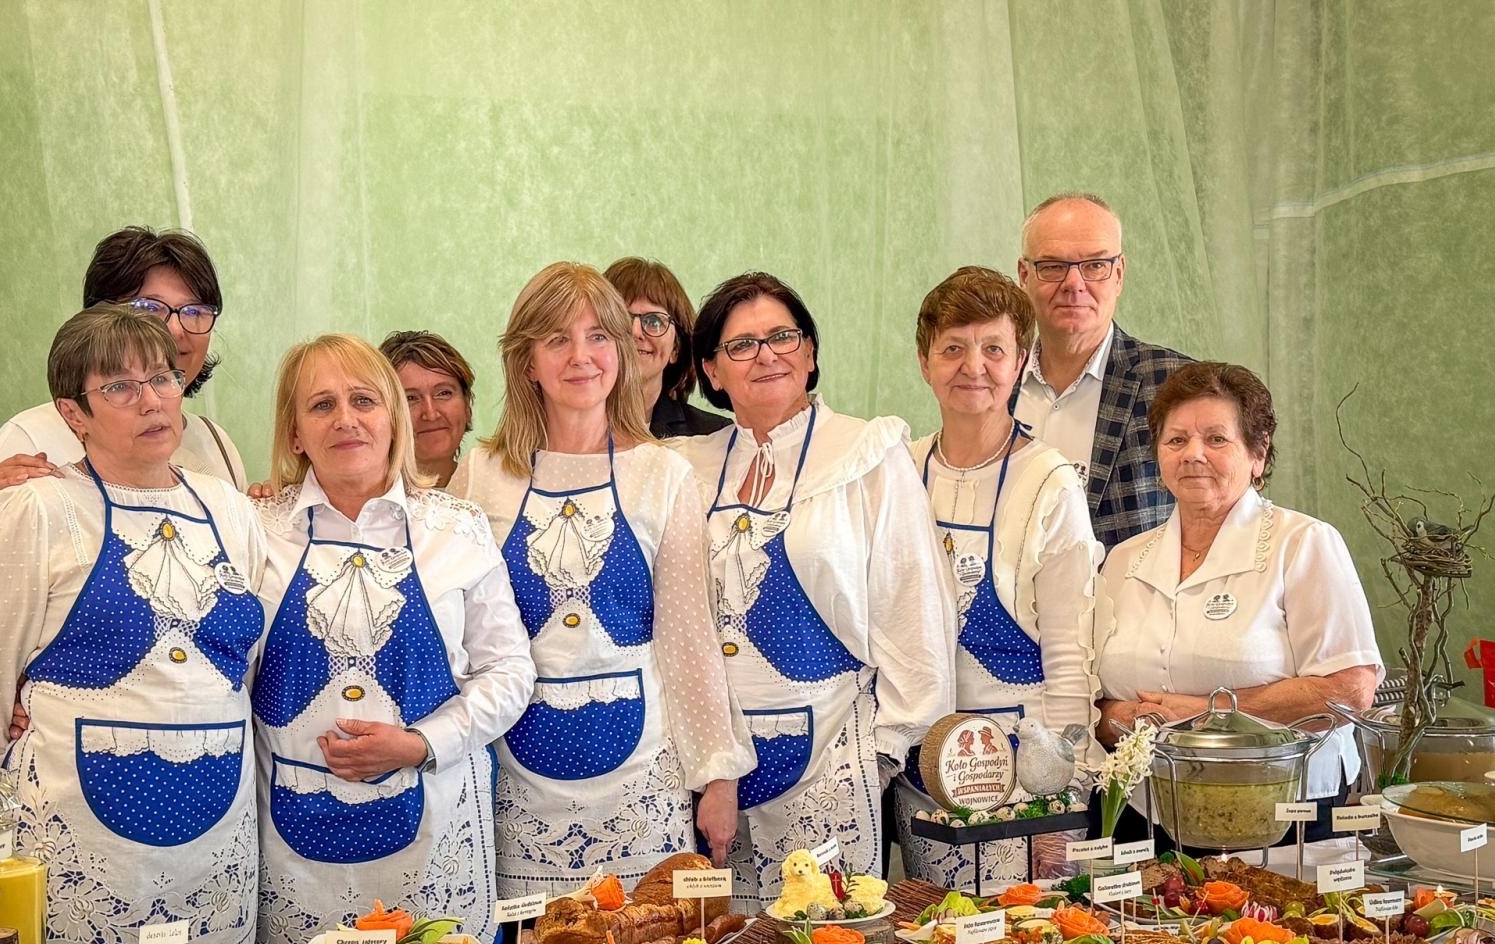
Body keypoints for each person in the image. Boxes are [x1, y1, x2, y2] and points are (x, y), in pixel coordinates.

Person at [0, 304, 266, 944]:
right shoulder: (37, 509)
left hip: (216, 830)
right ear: (73, 415)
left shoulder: (232, 511)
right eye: (118, 387)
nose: (149, 400)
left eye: (160, 378)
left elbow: (244, 667)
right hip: (77, 836)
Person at [448, 263, 751, 896]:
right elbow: (453, 641)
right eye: (557, 338)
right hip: (514, 787)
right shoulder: (479, 478)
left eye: (598, 336)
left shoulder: (662, 476)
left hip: (644, 784)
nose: (581, 356)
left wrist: (717, 777)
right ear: (526, 361)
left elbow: (688, 640)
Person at [249, 335, 533, 944]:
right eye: (321, 405)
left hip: (434, 830)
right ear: (294, 432)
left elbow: (510, 672)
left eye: (364, 401)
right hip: (290, 844)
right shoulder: (252, 530)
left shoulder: (456, 529)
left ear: (393, 419)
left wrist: (420, 742)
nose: (346, 419)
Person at [675, 272, 954, 905]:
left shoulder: (866, 453)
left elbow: (914, 607)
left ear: (810, 352)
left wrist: (884, 754)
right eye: (741, 344)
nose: (767, 354)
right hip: (712, 768)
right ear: (712, 372)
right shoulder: (686, 468)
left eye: (782, 336)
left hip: (832, 757)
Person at [1096, 362, 1382, 842]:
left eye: (1216, 439)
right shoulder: (1122, 561)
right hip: (1144, 812)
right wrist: (1115, 718)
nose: (1193, 455)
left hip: (1281, 818)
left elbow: (1351, 689)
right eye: (1177, 440)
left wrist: (1204, 715)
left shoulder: (1304, 543)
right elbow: (1094, 698)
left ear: (1258, 452)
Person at [893, 267, 1103, 889]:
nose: (972, 366)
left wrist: (1063, 803)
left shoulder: (1049, 479)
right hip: (922, 773)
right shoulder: (899, 474)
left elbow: (1070, 650)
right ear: (925, 361)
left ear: (1020, 361)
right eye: (953, 348)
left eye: (993, 349)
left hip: (1023, 772)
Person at [0, 226, 246, 628]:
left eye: (195, 311)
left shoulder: (215, 443)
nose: (177, 329)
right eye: (150, 308)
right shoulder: (32, 436)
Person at [1016, 194, 1192, 551]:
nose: (1074, 283)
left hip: (1135, 605)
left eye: (1095, 265)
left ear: (1119, 274)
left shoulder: (1178, 385)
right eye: (1052, 265)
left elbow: (1223, 520)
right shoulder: (994, 384)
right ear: (1024, 275)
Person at [604, 257, 730, 438]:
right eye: (621, 318)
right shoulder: (560, 428)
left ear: (675, 348)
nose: (635, 331)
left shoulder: (712, 436)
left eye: (654, 321)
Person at [379, 330, 476, 487]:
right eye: (410, 398)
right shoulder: (366, 505)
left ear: (467, 406)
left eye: (444, 393)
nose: (431, 414)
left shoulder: (496, 496)